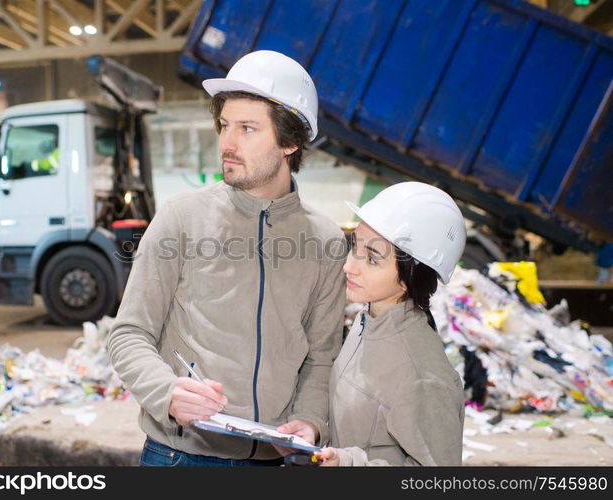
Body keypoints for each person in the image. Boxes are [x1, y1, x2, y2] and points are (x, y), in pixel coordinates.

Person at [107, 50, 347, 466]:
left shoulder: (324, 240)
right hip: (180, 458)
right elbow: (128, 333)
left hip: (275, 460)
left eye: (247, 129)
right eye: (224, 126)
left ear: (290, 141)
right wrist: (166, 392)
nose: (227, 143)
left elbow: (321, 356)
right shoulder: (181, 218)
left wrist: (308, 420)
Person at [316, 182, 467, 466]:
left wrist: (349, 464)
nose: (350, 265)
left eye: (372, 259)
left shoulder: (423, 377)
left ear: (408, 276)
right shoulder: (368, 322)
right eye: (355, 248)